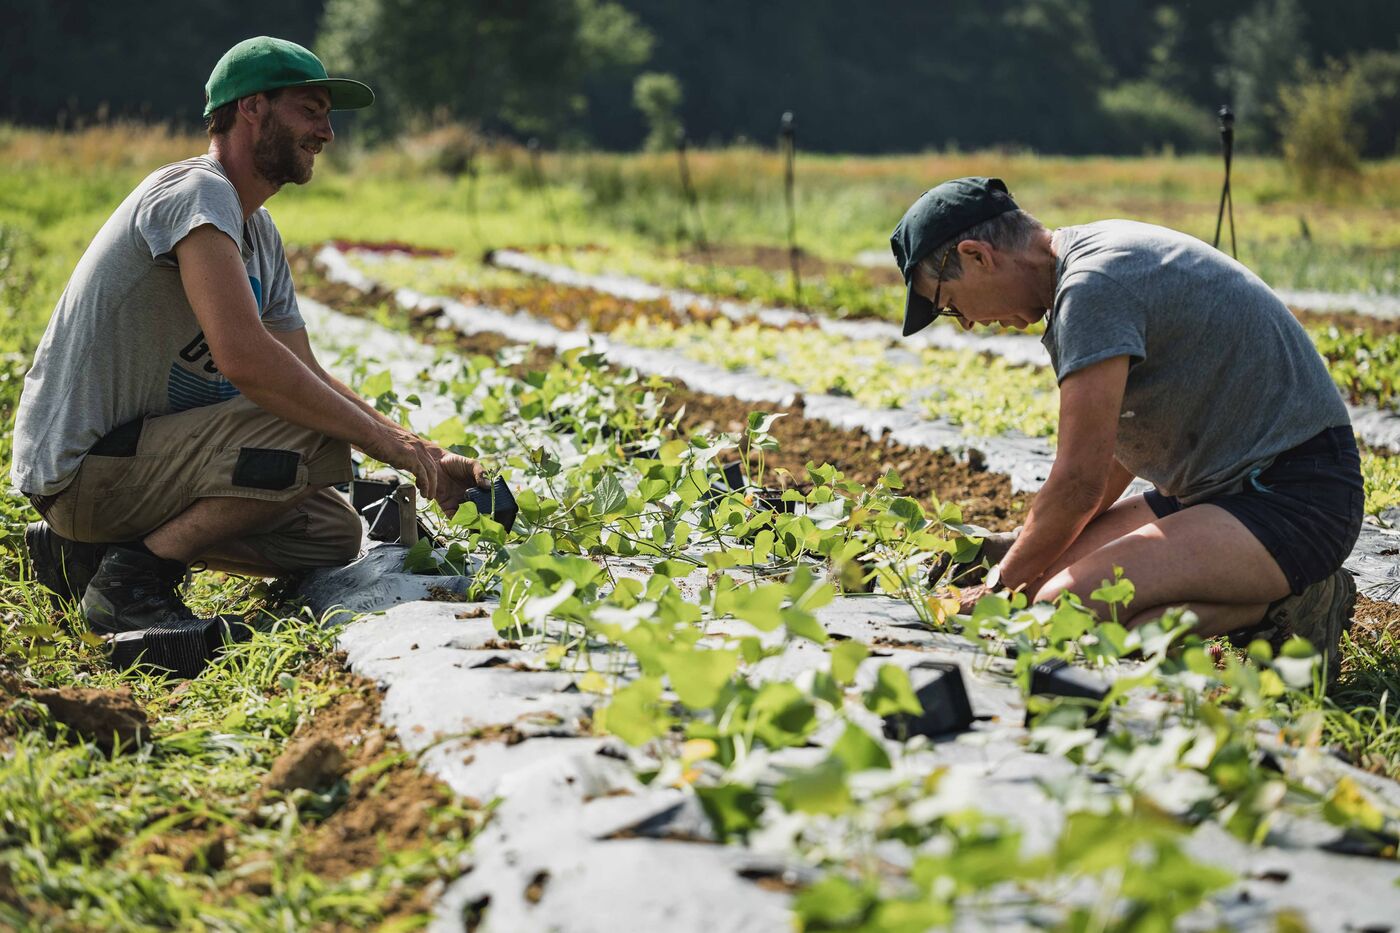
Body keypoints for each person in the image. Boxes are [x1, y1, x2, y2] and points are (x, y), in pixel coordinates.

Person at [13, 36, 488, 634]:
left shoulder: (257, 230)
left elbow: (305, 370)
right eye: (310, 111)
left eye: (327, 116)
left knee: (331, 534)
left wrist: (426, 455)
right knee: (308, 423)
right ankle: (131, 584)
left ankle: (86, 553)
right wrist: (388, 448)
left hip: (140, 465)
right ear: (252, 108)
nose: (326, 132)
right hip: (84, 471)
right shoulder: (197, 193)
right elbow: (247, 360)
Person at [891, 177, 1363, 676]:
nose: (964, 322)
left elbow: (1079, 483)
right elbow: (1119, 448)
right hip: (1217, 490)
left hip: (1295, 497)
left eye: (948, 303)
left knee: (1058, 612)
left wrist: (997, 589)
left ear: (977, 256)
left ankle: (1295, 603)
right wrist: (1022, 553)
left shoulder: (1092, 287)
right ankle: (1252, 601)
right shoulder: (1085, 263)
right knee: (1045, 586)